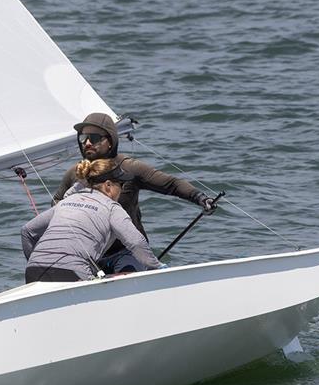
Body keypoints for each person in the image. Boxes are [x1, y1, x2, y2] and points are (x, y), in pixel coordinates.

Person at [52, 112, 216, 273]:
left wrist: (200, 198)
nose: (87, 143)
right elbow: (57, 203)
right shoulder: (75, 174)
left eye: (94, 138)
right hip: (89, 257)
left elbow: (171, 184)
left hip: (127, 252)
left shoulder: (129, 168)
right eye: (82, 138)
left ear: (110, 141)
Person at [22, 159, 161, 283]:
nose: (122, 189)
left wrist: (37, 262)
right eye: (121, 184)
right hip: (72, 274)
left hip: (33, 271)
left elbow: (27, 231)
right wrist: (158, 268)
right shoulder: (112, 208)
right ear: (108, 185)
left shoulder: (66, 202)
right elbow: (136, 242)